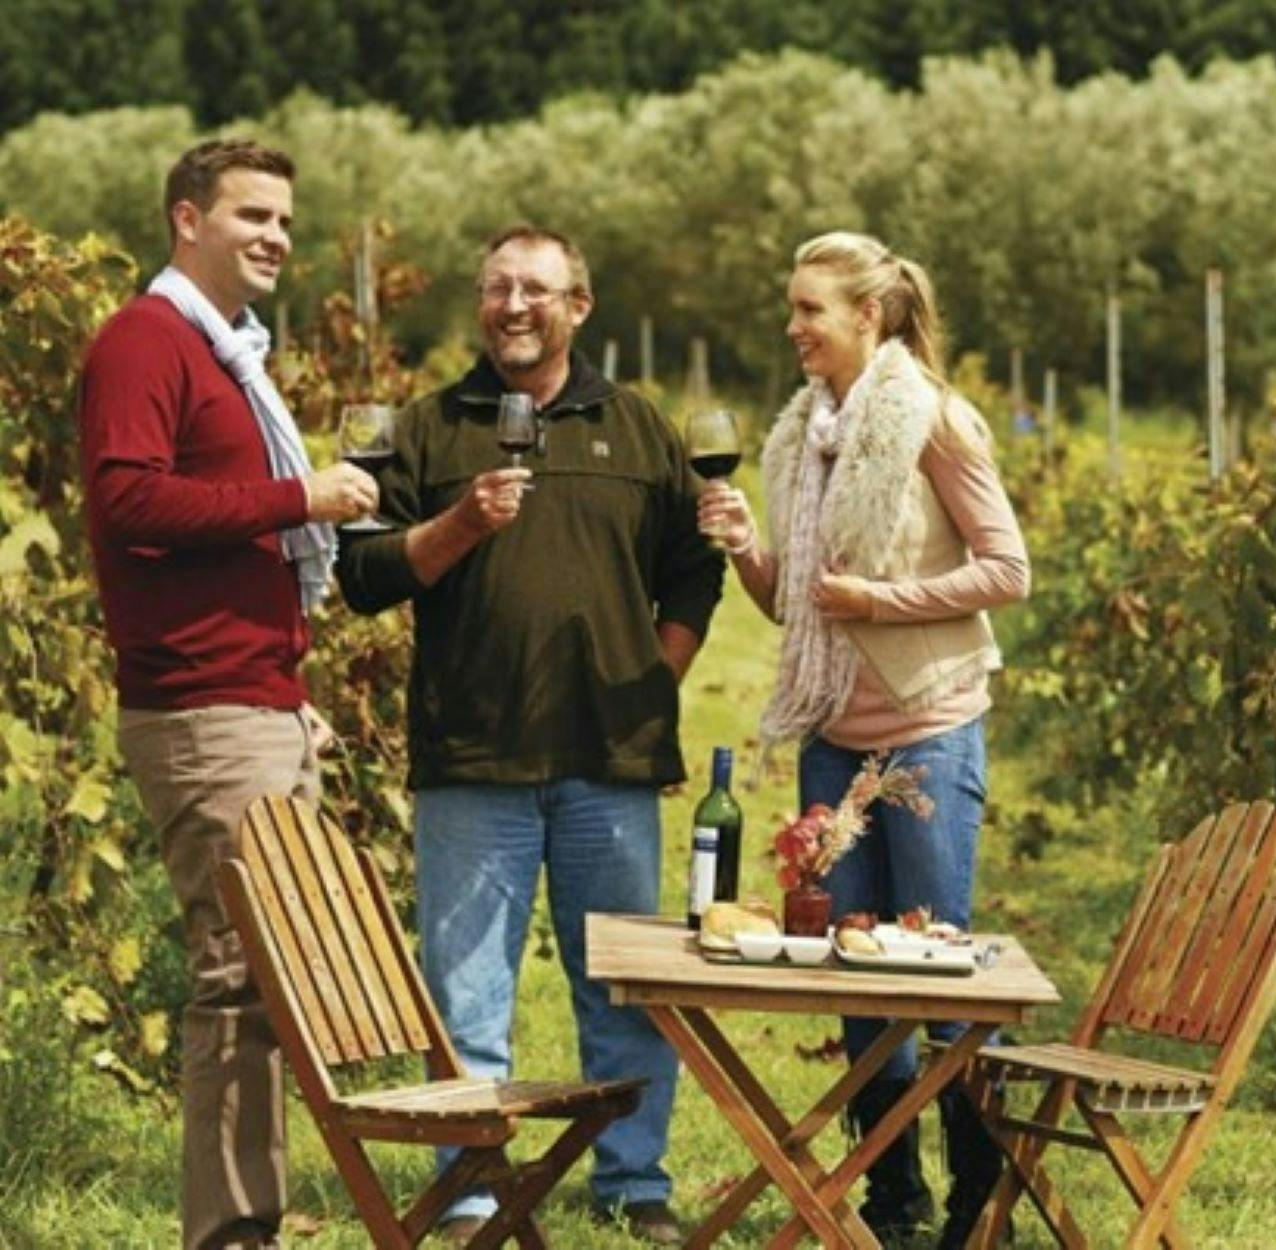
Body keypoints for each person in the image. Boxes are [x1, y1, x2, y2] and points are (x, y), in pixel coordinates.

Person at [335, 225, 722, 1246]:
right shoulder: (427, 428)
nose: (514, 305)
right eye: (497, 287)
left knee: (626, 990)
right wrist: (459, 523)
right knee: (465, 992)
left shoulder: (635, 427)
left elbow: (694, 566)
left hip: (611, 761)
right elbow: (360, 578)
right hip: (474, 756)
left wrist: (660, 673)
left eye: (536, 290)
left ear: (578, 306)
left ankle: (633, 1182)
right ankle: (469, 1192)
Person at [700, 230, 1030, 1247]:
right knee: (848, 972)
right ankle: (889, 1200)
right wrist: (749, 545)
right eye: (790, 307)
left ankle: (981, 1207)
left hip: (927, 728)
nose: (791, 326)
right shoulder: (804, 436)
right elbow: (797, 607)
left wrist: (881, 600)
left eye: (809, 309)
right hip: (834, 738)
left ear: (867, 316)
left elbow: (1007, 567)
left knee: (933, 968)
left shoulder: (929, 418)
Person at [79, 138, 380, 1250]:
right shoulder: (145, 341)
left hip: (251, 698)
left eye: (287, 222)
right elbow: (126, 501)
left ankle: (251, 1220)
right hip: (201, 703)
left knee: (266, 978)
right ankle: (231, 1233)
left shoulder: (227, 354)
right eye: (252, 214)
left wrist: (281, 684)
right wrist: (296, 493)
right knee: (237, 974)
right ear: (185, 219)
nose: (276, 238)